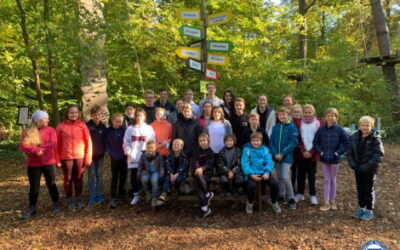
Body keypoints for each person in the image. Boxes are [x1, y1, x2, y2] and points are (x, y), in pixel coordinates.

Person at [19, 111, 61, 219]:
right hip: (33, 164)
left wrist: (42, 149)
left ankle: (56, 203)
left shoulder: (51, 130)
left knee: (51, 184)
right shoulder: (27, 131)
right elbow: (23, 146)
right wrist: (36, 150)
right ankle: (32, 207)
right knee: (34, 187)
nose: (48, 120)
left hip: (48, 162)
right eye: (45, 118)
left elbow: (53, 143)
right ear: (38, 120)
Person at [347, 116, 384, 221]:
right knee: (360, 188)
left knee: (368, 188)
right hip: (358, 168)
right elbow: (349, 153)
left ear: (371, 126)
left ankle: (369, 210)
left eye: (367, 125)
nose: (364, 127)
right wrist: (353, 165)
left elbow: (379, 155)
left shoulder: (375, 139)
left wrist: (365, 167)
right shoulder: (354, 137)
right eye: (362, 125)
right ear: (359, 126)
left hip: (370, 169)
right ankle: (362, 207)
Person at [56, 105, 92, 210]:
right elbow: (56, 144)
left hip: (80, 156)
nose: (73, 114)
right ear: (67, 114)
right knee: (68, 179)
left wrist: (88, 157)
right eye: (71, 112)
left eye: (75, 112)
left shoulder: (82, 125)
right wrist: (57, 159)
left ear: (78, 113)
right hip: (66, 156)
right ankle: (69, 200)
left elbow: (88, 141)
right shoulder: (60, 126)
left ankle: (79, 199)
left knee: (79, 178)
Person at [313, 108, 349, 212]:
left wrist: (337, 153)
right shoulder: (321, 129)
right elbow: (315, 143)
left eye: (332, 115)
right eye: (328, 115)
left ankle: (332, 200)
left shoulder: (339, 130)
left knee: (333, 179)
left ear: (336, 117)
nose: (330, 117)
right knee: (326, 180)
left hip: (335, 159)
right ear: (325, 117)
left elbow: (346, 144)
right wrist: (321, 152)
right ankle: (326, 202)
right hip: (324, 158)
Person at [241, 132, 281, 214]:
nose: (255, 142)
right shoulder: (247, 150)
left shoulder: (265, 150)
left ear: (261, 141)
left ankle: (274, 202)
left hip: (264, 173)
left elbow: (269, 162)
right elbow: (245, 163)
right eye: (253, 141)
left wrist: (267, 172)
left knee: (275, 184)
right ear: (251, 141)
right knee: (251, 186)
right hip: (252, 173)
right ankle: (250, 202)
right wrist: (251, 174)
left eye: (257, 140)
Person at [123, 108, 155, 205]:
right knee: (134, 176)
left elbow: (152, 141)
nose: (139, 117)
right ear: (135, 117)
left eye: (141, 115)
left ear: (144, 117)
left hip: (145, 156)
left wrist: (150, 152)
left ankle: (146, 194)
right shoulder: (130, 129)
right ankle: (136, 195)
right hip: (133, 156)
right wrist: (129, 152)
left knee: (145, 176)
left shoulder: (148, 128)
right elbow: (126, 142)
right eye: (137, 115)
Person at [270, 107, 299, 210]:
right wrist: (274, 153)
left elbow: (294, 142)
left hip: (286, 157)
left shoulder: (292, 127)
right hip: (276, 157)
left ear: (288, 115)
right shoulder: (275, 127)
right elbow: (271, 142)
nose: (282, 116)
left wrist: (282, 153)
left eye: (284, 114)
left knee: (286, 177)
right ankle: (281, 195)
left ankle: (291, 198)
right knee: (280, 177)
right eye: (280, 114)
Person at [294, 104, 321, 205]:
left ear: (313, 113)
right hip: (302, 153)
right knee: (300, 175)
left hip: (312, 155)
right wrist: (303, 151)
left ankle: (313, 195)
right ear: (303, 113)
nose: (308, 114)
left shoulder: (317, 123)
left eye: (310, 112)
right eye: (305, 112)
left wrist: (311, 152)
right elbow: (298, 138)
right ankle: (300, 193)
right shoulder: (300, 123)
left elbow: (318, 140)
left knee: (311, 176)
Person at [105, 113, 127, 209]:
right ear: (112, 121)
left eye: (120, 122)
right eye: (117, 121)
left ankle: (121, 194)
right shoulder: (108, 131)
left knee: (123, 176)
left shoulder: (124, 131)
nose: (118, 123)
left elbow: (126, 143)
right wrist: (111, 154)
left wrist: (125, 154)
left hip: (123, 157)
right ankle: (113, 195)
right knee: (114, 176)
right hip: (114, 157)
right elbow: (106, 144)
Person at [86, 106, 107, 205]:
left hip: (100, 155)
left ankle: (99, 194)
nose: (96, 116)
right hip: (90, 156)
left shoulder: (103, 127)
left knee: (99, 175)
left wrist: (106, 151)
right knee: (91, 175)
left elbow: (106, 140)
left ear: (101, 115)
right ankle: (92, 195)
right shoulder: (87, 126)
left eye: (98, 114)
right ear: (91, 115)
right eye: (94, 115)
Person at [193, 133, 215, 219]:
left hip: (207, 173)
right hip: (197, 172)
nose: (202, 142)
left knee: (196, 185)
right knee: (197, 182)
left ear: (208, 141)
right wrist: (197, 168)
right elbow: (194, 162)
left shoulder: (210, 152)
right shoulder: (196, 151)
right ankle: (206, 196)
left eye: (204, 140)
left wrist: (202, 168)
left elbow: (209, 164)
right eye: (200, 141)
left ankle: (205, 207)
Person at [138, 140, 165, 207]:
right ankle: (147, 192)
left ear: (155, 148)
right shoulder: (143, 155)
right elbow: (140, 166)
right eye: (148, 147)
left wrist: (161, 174)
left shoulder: (158, 155)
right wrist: (139, 174)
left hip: (156, 172)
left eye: (151, 147)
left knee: (154, 180)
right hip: (147, 172)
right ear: (146, 148)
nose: (150, 149)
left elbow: (162, 166)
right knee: (144, 179)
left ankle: (154, 198)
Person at [290, 104, 303, 194]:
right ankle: (291, 187)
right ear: (292, 113)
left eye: (298, 112)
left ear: (301, 113)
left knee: (300, 171)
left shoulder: (303, 123)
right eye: (295, 112)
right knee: (292, 170)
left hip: (301, 150)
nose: (297, 114)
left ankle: (300, 189)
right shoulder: (290, 122)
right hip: (291, 150)